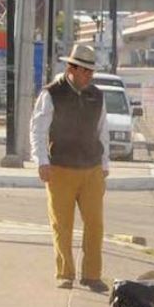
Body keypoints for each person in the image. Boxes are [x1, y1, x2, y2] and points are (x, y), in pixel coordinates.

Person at [29, 43, 110, 292]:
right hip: (60, 169)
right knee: (62, 225)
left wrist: (105, 164)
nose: (89, 76)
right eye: (84, 70)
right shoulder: (52, 93)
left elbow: (102, 130)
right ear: (71, 68)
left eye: (91, 71)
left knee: (95, 224)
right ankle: (65, 272)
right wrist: (41, 161)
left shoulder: (97, 95)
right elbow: (38, 129)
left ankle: (92, 275)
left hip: (91, 169)